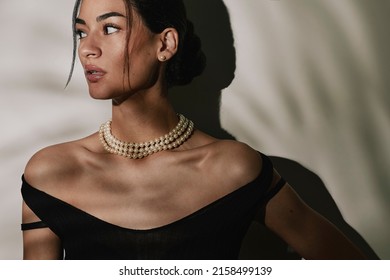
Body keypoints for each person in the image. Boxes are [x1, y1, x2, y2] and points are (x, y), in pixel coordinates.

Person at [21, 0, 367, 260]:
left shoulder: (233, 168)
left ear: (165, 44)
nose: (86, 48)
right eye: (81, 32)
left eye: (110, 28)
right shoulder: (52, 173)